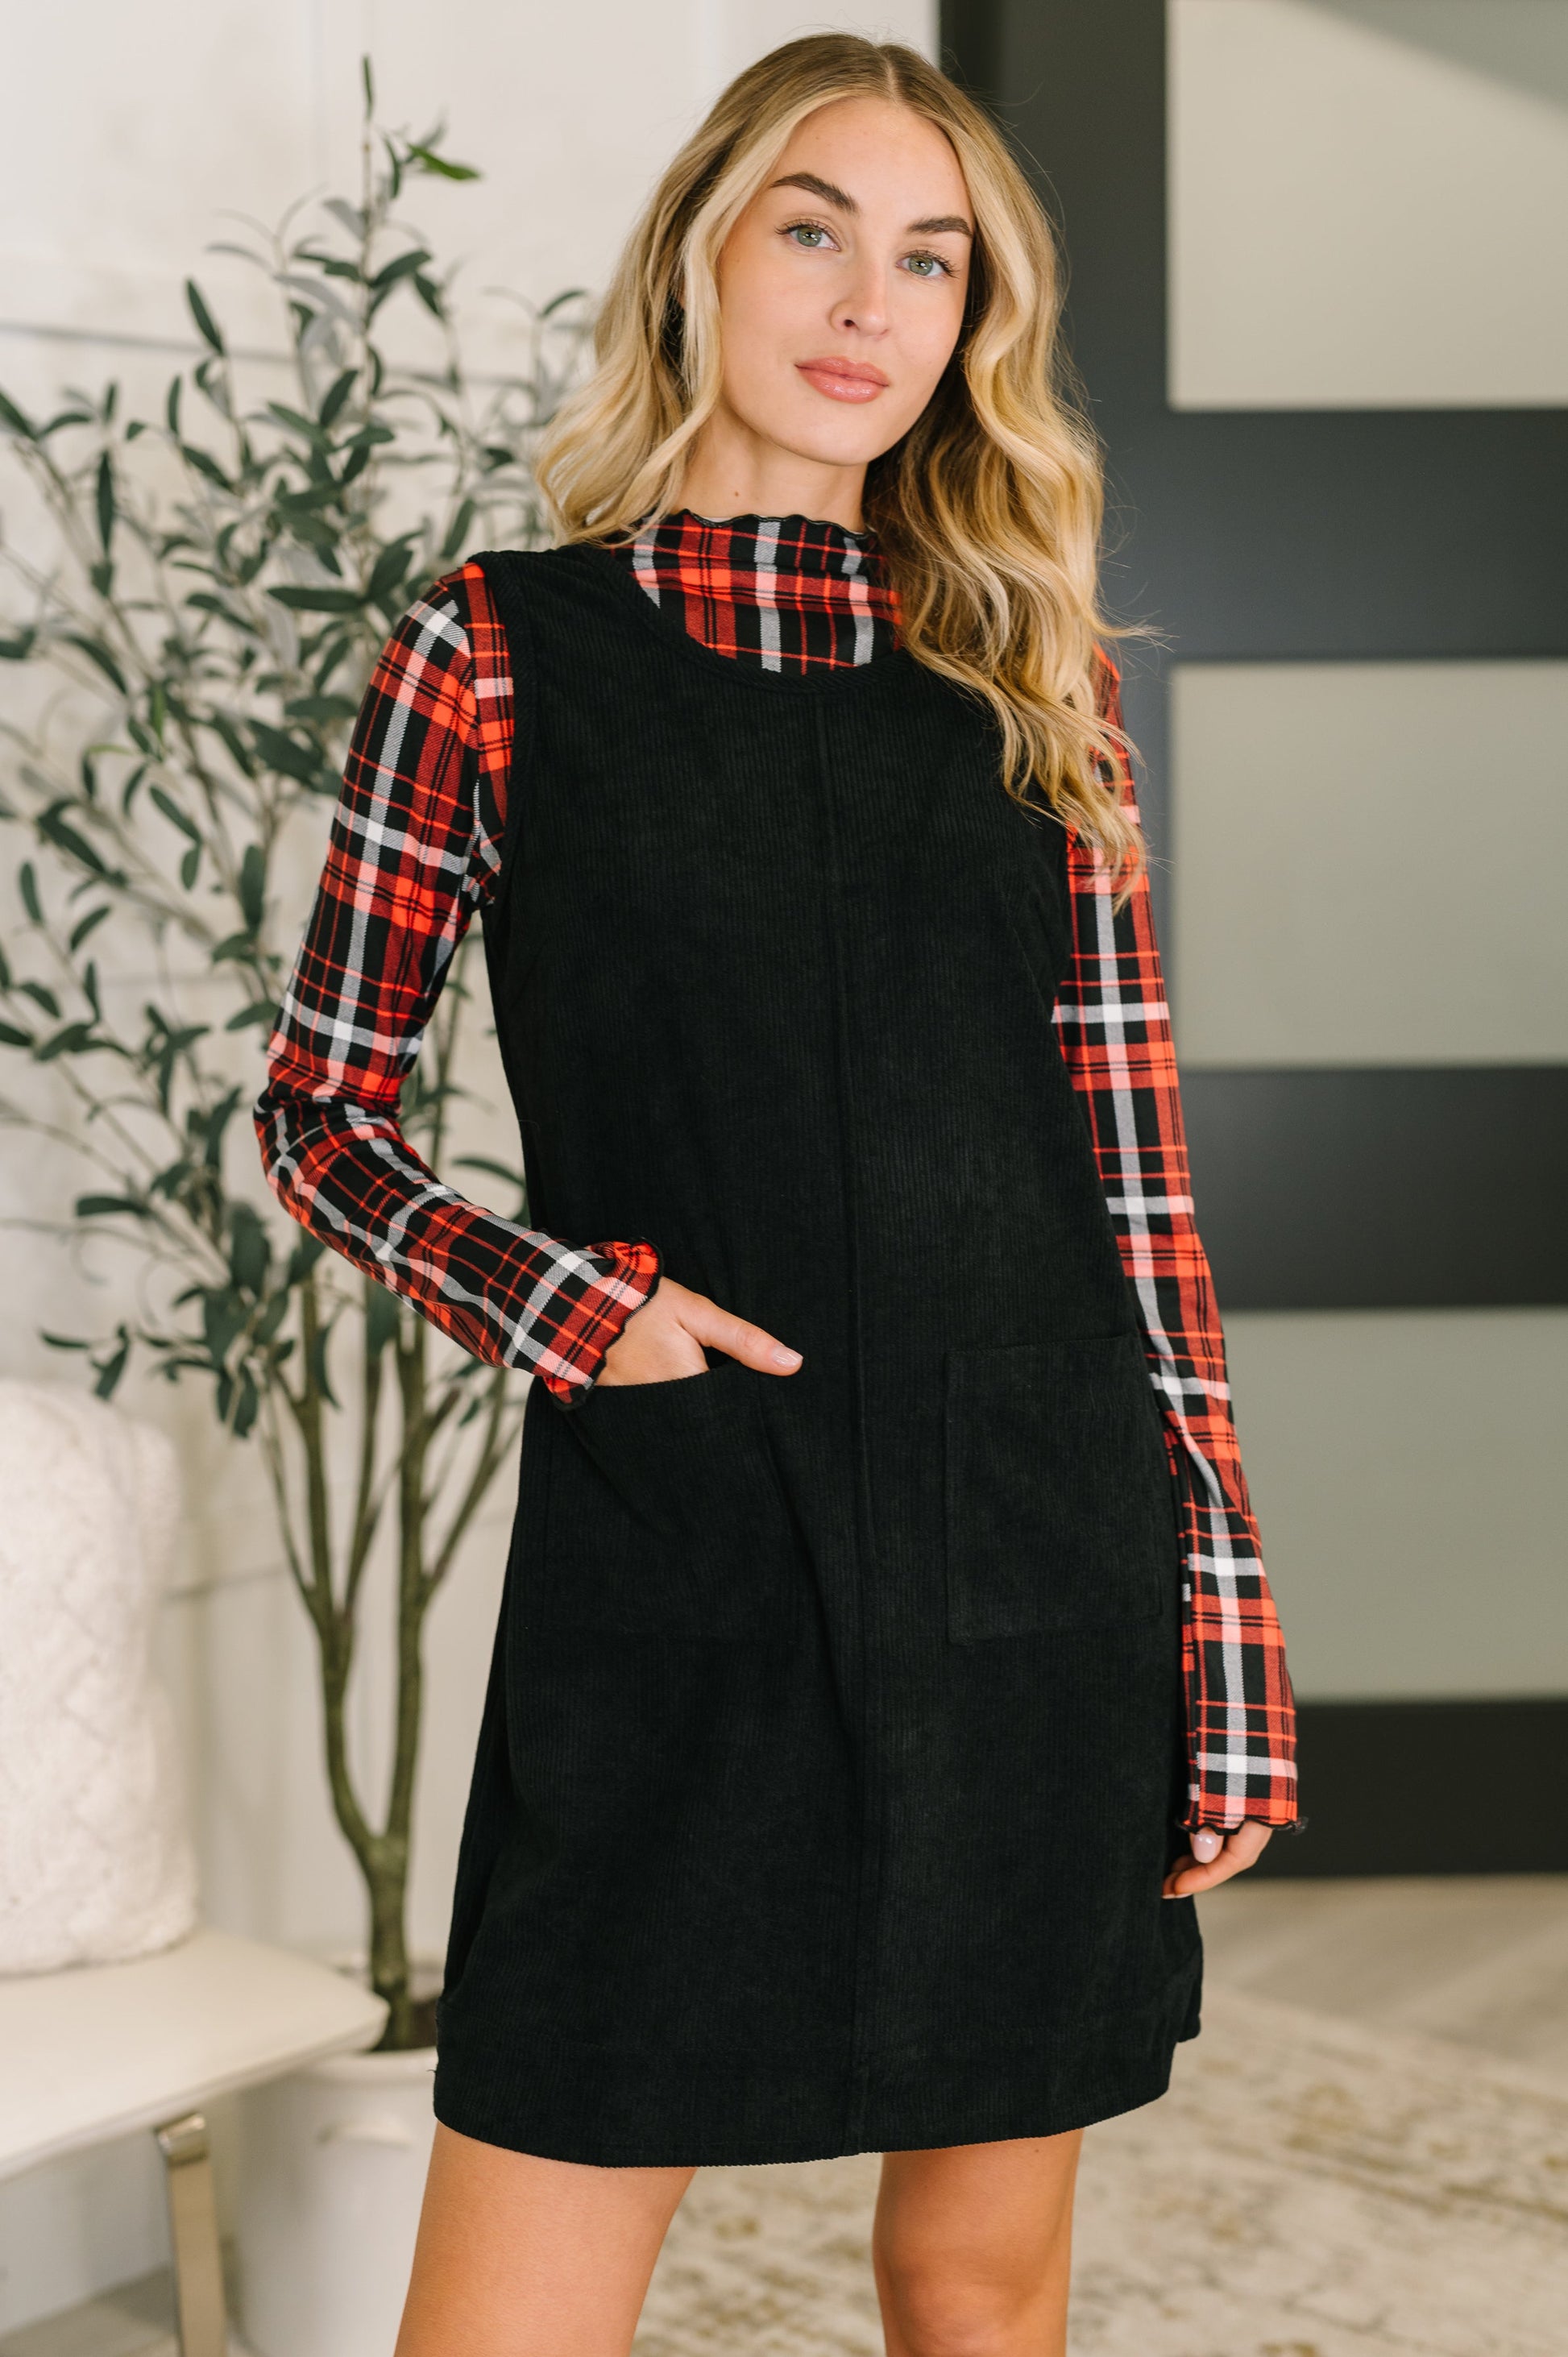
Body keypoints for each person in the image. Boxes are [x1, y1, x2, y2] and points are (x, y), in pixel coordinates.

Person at [255, 33, 1300, 2357]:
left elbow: (1136, 1201)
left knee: (975, 2274)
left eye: (928, 259)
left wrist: (1218, 1611)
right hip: (686, 1564)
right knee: (513, 2304)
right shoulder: (493, 651)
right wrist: (566, 1307)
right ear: (701, 260)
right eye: (811, 227)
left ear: (972, 325)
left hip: (1036, 1559)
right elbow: (323, 1112)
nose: (866, 301)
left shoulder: (1032, 685)